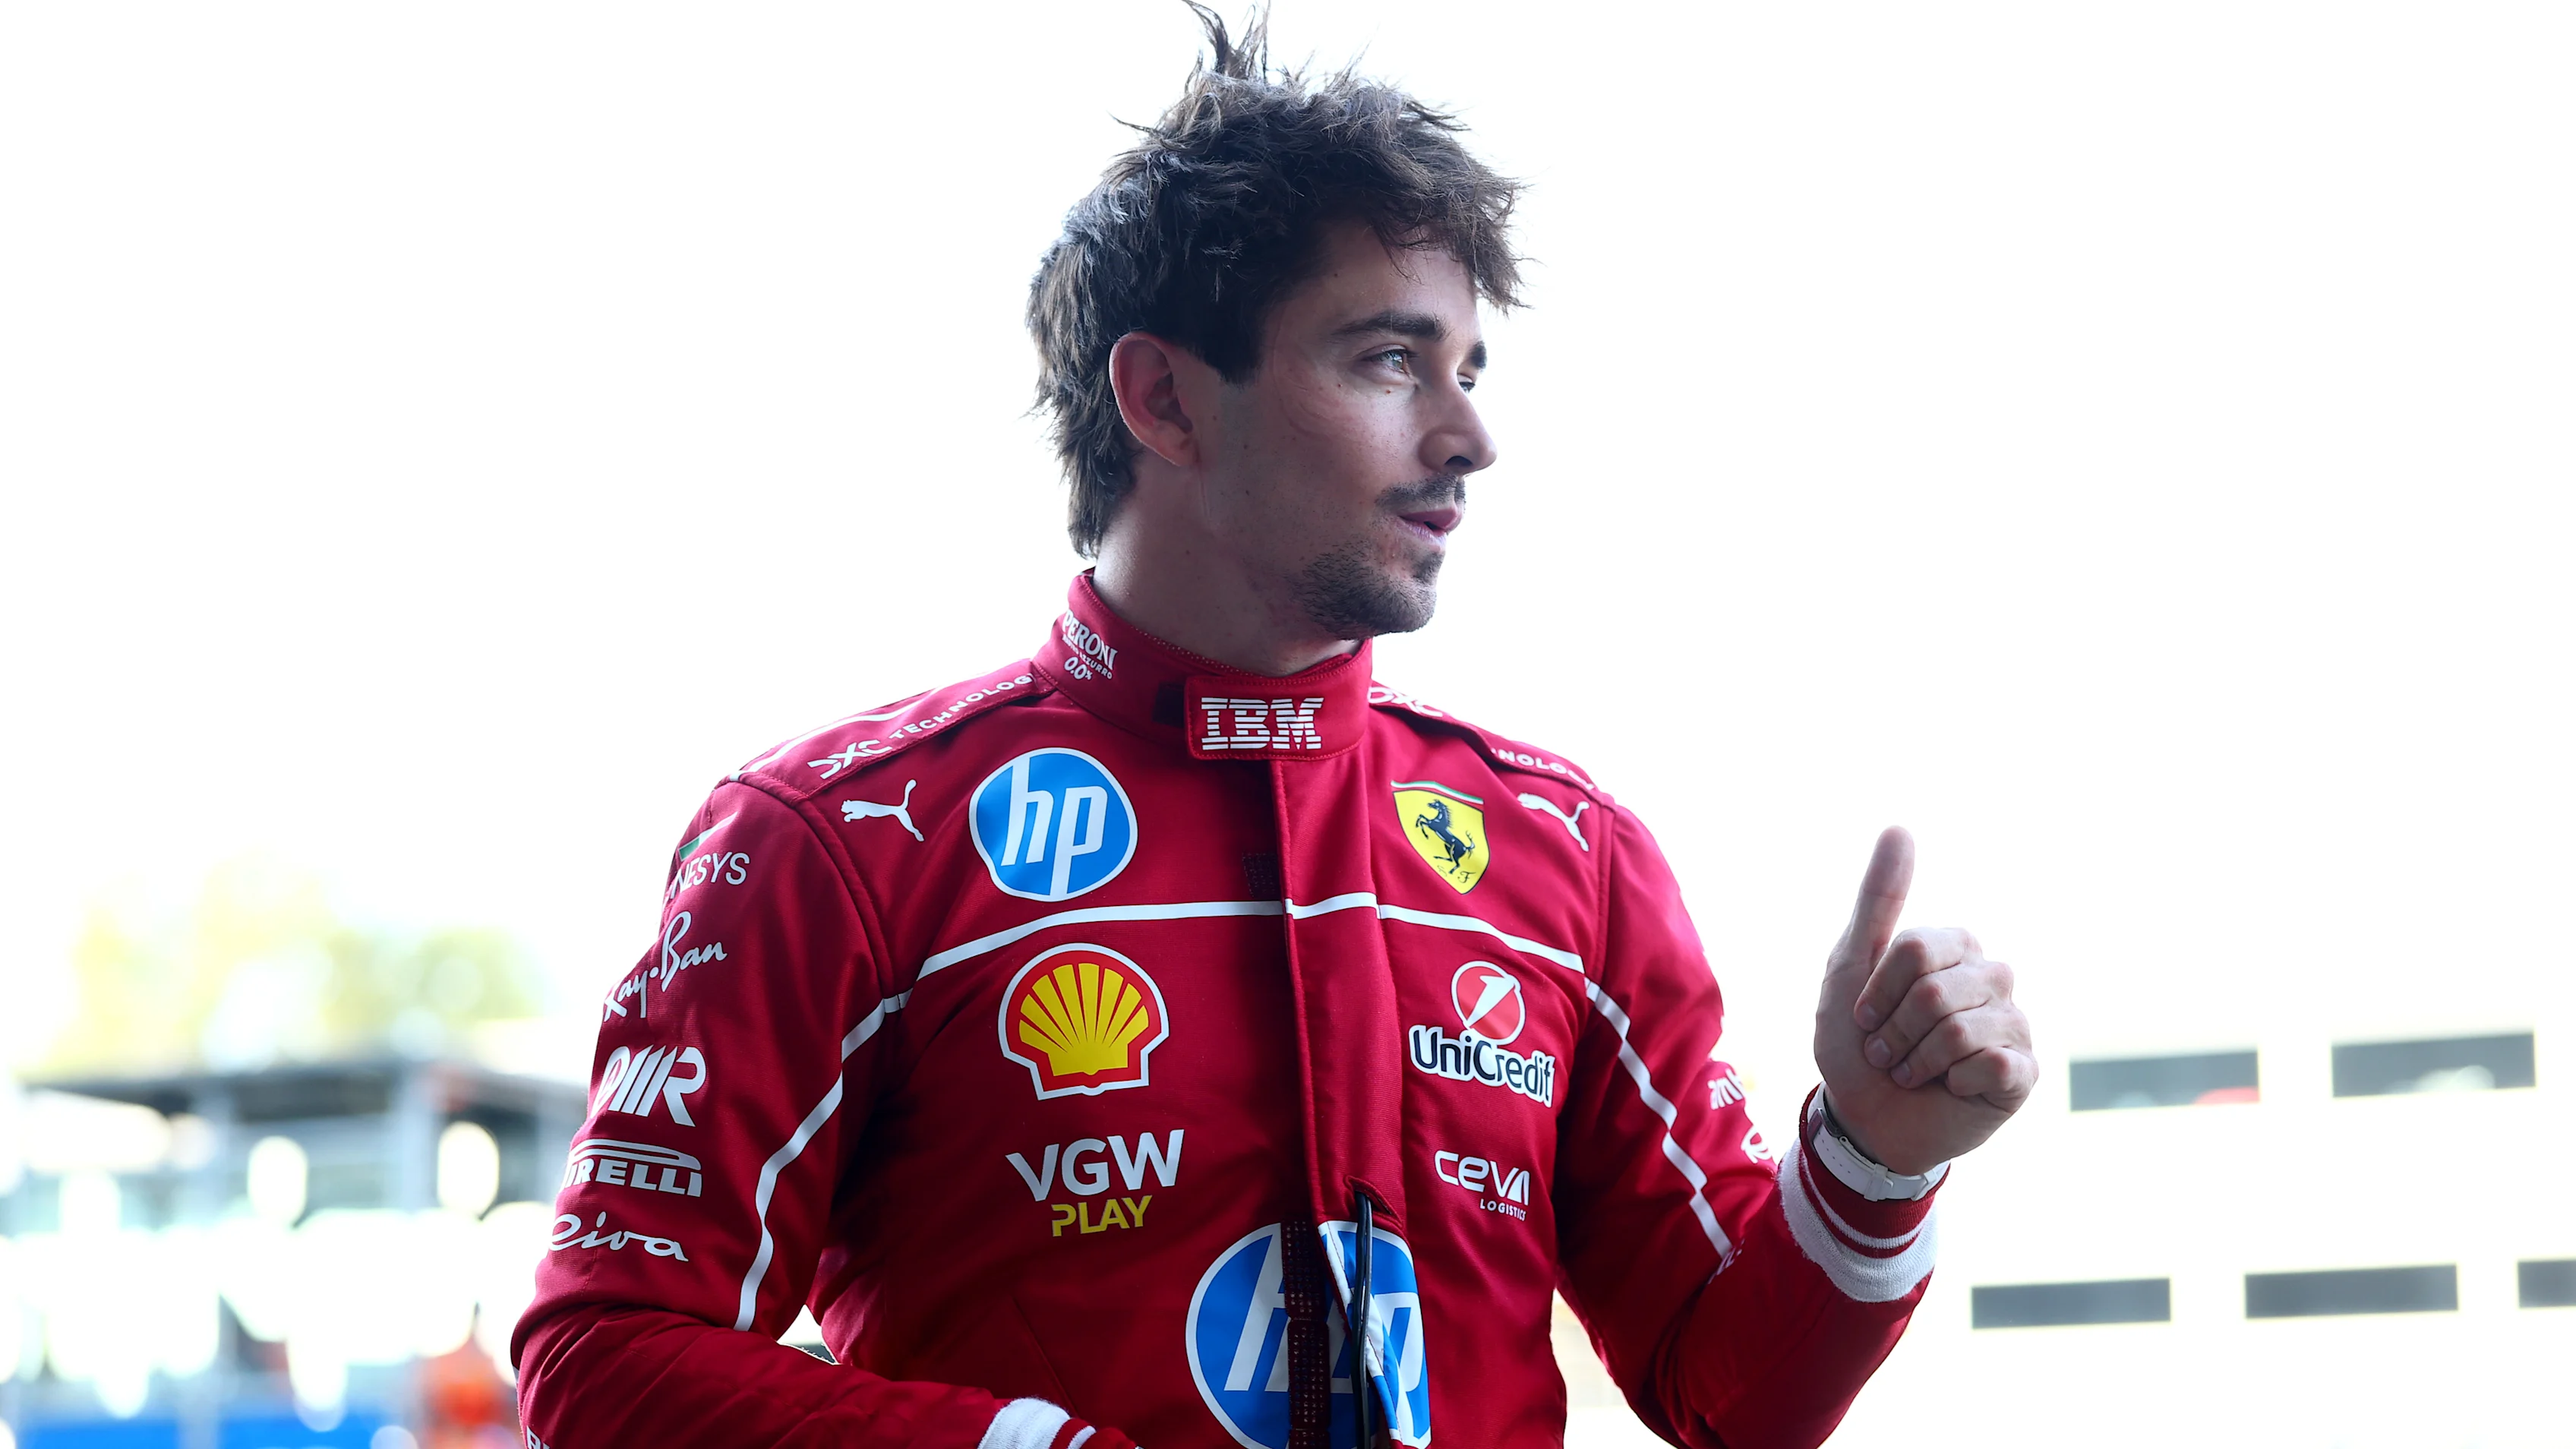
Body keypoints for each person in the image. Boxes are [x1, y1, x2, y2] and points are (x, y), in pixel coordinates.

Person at [512, 11, 2035, 1449]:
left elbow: (1731, 1397)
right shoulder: (836, 838)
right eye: (1389, 359)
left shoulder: (1569, 852)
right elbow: (604, 1353)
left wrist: (1870, 1158)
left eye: (1469, 369)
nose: (1471, 437)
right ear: (1166, 401)